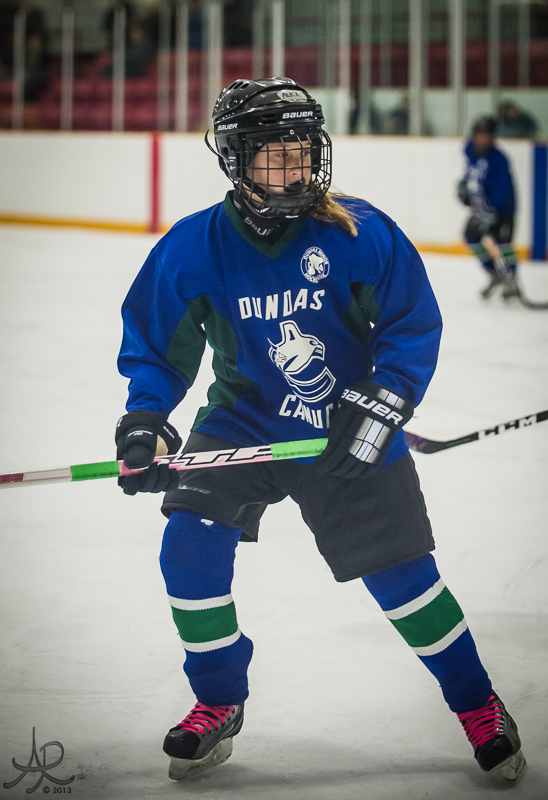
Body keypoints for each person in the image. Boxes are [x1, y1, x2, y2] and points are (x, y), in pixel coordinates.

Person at [116, 78, 526, 785]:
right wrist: (147, 424)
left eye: (304, 150)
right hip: (243, 421)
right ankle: (218, 700)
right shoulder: (193, 248)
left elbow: (410, 326)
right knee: (187, 551)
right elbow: (157, 349)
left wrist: (383, 402)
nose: (298, 167)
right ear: (237, 159)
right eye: (277, 154)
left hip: (347, 423)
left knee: (404, 578)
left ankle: (478, 705)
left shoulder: (357, 232)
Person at [457, 116, 521, 302]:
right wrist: (464, 189)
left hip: (503, 209)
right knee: (471, 238)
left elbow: (503, 188)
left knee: (503, 244)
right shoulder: (471, 151)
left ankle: (512, 282)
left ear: (493, 137)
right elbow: (472, 176)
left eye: (486, 135)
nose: (481, 138)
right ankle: (495, 274)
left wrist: (493, 209)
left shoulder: (499, 159)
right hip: (481, 208)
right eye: (479, 134)